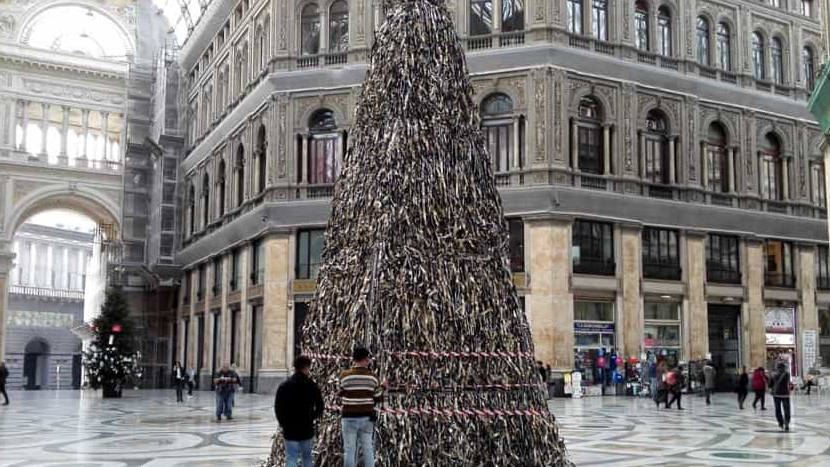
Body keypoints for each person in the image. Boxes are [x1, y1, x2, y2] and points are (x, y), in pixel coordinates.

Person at [339, 347, 385, 467]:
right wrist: (383, 387)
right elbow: (378, 396)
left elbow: (340, 392)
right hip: (366, 418)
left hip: (348, 418)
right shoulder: (372, 377)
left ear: (353, 359)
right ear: (366, 360)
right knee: (368, 449)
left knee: (349, 450)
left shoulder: (345, 376)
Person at [275, 355, 325, 467]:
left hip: (290, 429)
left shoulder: (284, 386)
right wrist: (312, 417)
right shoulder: (312, 386)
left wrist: (284, 423)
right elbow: (320, 406)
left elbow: (278, 408)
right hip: (306, 428)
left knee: (291, 458)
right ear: (306, 368)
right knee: (307, 459)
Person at [770, 363, 791, 431]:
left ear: (777, 367)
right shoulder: (787, 374)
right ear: (784, 367)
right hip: (785, 394)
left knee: (777, 409)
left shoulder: (773, 374)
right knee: (786, 409)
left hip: (776, 394)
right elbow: (788, 382)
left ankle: (780, 422)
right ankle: (787, 422)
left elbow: (769, 384)